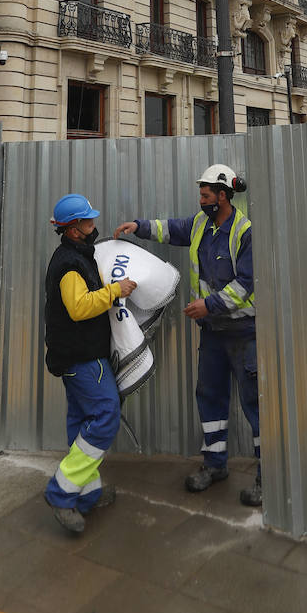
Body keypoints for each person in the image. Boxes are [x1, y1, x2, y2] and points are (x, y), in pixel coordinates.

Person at [114, 163, 261, 507]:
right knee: (209, 396)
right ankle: (215, 464)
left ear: (222, 196)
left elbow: (247, 285)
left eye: (205, 194)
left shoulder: (245, 231)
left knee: (255, 404)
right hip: (212, 334)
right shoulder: (201, 224)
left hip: (243, 333)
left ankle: (265, 476)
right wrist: (139, 227)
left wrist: (208, 305)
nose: (201, 199)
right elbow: (173, 229)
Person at [44, 192, 138, 535]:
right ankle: (61, 492)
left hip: (75, 355)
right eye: (88, 221)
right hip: (82, 357)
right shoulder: (69, 263)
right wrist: (115, 291)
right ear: (73, 230)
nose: (93, 225)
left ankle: (87, 493)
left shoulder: (78, 254)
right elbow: (79, 307)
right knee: (105, 415)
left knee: (82, 420)